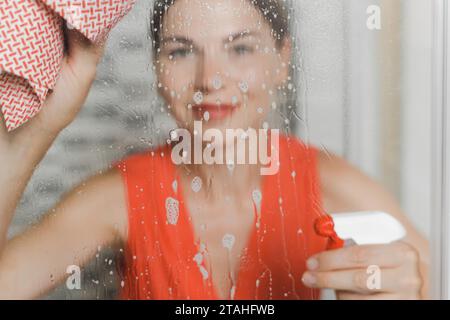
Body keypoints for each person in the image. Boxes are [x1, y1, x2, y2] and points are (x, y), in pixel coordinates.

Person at [0, 0, 428, 300]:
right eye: (182, 51)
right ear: (156, 69)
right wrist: (36, 133)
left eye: (239, 48)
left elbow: (423, 278)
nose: (211, 79)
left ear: (283, 60)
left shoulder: (333, 188)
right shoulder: (125, 194)